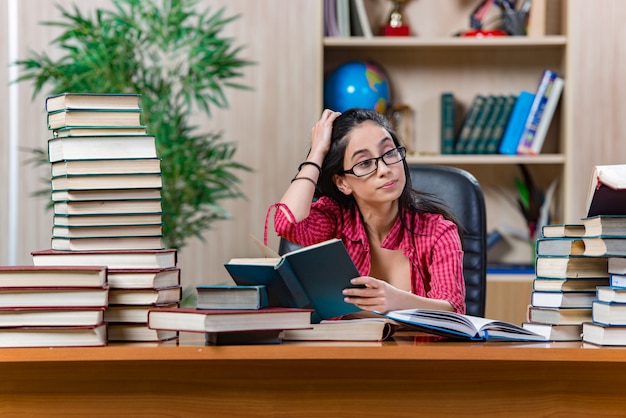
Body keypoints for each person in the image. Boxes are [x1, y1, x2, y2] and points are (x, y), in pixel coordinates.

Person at [266, 108, 466, 315]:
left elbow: (454, 311)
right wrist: (317, 153)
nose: (384, 170)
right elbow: (288, 223)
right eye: (364, 163)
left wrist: (398, 300)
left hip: (417, 348)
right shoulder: (334, 221)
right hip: (345, 347)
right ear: (342, 182)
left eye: (389, 153)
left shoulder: (438, 232)